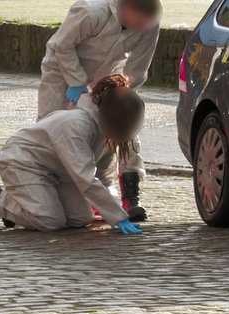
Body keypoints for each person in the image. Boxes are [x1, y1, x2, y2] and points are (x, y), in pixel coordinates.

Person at [37, 0, 163, 222]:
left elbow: (138, 67)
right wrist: (76, 82)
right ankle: (46, 186)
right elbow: (61, 45)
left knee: (124, 124)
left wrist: (123, 99)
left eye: (145, 24)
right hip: (61, 69)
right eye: (137, 22)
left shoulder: (150, 24)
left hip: (108, 75)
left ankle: (129, 192)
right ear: (125, 7)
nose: (140, 28)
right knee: (51, 128)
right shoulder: (90, 11)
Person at [0, 74, 143, 234]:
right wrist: (118, 216)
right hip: (23, 161)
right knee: (50, 221)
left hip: (58, 172)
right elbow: (85, 178)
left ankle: (23, 209)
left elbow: (104, 178)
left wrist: (113, 212)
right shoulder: (77, 125)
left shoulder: (108, 134)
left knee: (80, 219)